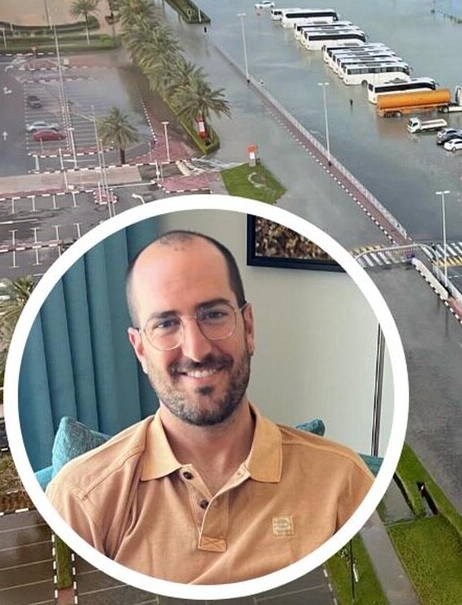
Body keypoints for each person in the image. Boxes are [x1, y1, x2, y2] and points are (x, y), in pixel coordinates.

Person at [45, 231, 375, 584]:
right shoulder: (81, 499)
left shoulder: (343, 482)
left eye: (214, 314)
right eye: (166, 324)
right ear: (140, 349)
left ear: (248, 328)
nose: (196, 349)